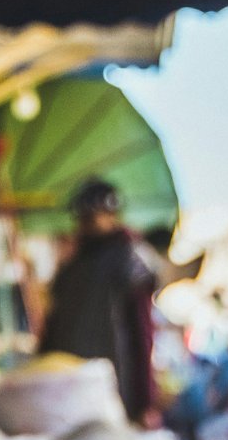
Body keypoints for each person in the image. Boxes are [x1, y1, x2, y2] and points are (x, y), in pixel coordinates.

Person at [38, 176, 160, 424]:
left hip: (113, 385)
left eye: (91, 217)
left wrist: (144, 400)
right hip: (69, 385)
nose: (84, 224)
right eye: (81, 218)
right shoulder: (75, 264)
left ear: (111, 214)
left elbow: (141, 335)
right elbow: (55, 322)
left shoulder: (129, 261)